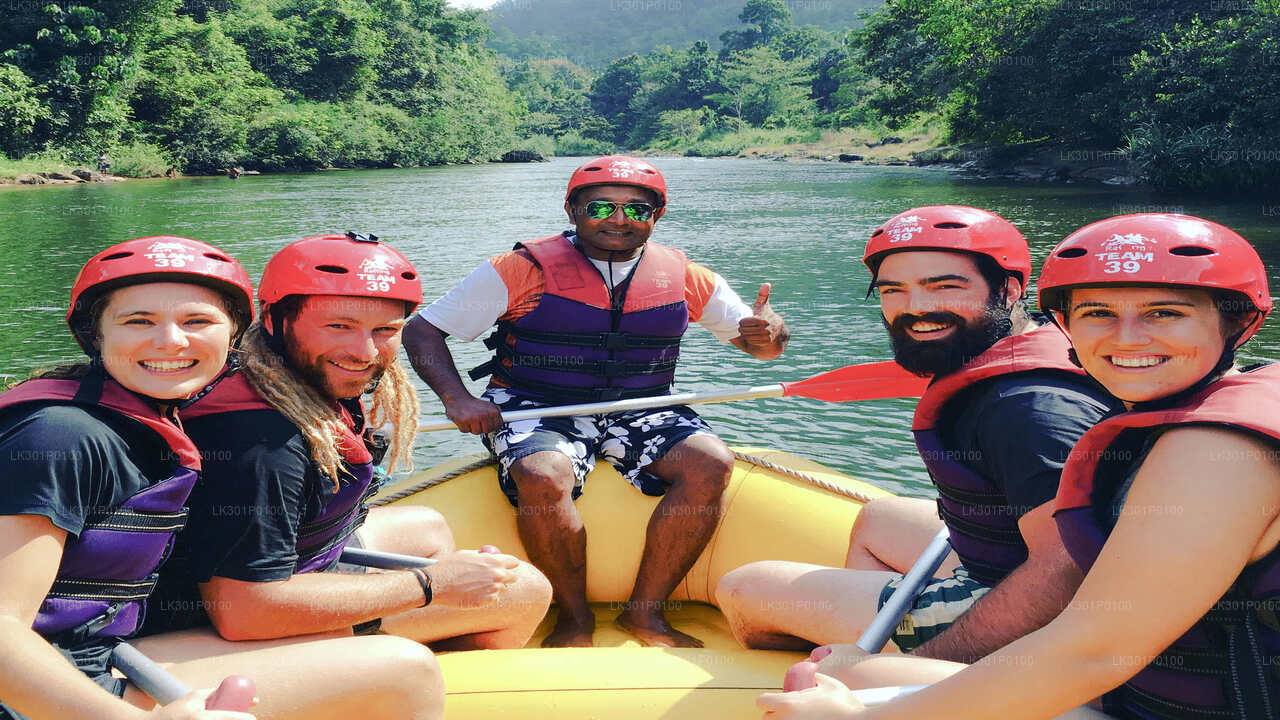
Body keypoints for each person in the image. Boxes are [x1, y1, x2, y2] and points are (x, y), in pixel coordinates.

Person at [758, 213, 1280, 719]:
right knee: (863, 674)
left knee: (849, 683)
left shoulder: (1215, 453)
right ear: (1065, 324)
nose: (1126, 338)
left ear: (1242, 322)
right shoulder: (1208, 406)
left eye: (1164, 313)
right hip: (1157, 686)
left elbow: (1093, 651)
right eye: (1097, 313)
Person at [0, 236, 443, 720]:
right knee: (406, 669)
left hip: (105, 648)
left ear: (234, 336)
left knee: (342, 628)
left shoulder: (146, 415)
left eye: (197, 322)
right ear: (96, 334)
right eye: (138, 321)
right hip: (52, 690)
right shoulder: (58, 438)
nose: (171, 341)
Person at [402, 155, 790, 647]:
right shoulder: (518, 270)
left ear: (658, 216)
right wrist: (457, 399)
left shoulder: (686, 276)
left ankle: (646, 614)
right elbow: (423, 330)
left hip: (641, 405)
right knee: (543, 475)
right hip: (536, 404)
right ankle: (574, 617)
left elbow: (763, 348)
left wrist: (770, 333)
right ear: (572, 211)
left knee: (711, 462)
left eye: (638, 209)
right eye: (601, 207)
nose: (620, 219)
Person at [717, 206, 1117, 676]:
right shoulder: (1031, 346)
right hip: (1011, 553)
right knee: (879, 518)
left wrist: (912, 675)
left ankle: (875, 665)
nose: (917, 308)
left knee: (744, 587)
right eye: (894, 291)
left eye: (944, 286)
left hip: (1036, 607)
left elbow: (1071, 571)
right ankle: (883, 631)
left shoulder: (1031, 408)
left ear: (1009, 289)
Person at [141, 232, 552, 653]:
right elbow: (246, 611)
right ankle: (384, 674)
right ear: (273, 320)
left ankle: (401, 664)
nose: (364, 351)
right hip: (210, 620)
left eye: (385, 329)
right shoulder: (261, 446)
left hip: (293, 567)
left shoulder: (277, 374)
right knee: (525, 590)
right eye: (339, 326)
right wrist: (432, 585)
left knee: (427, 526)